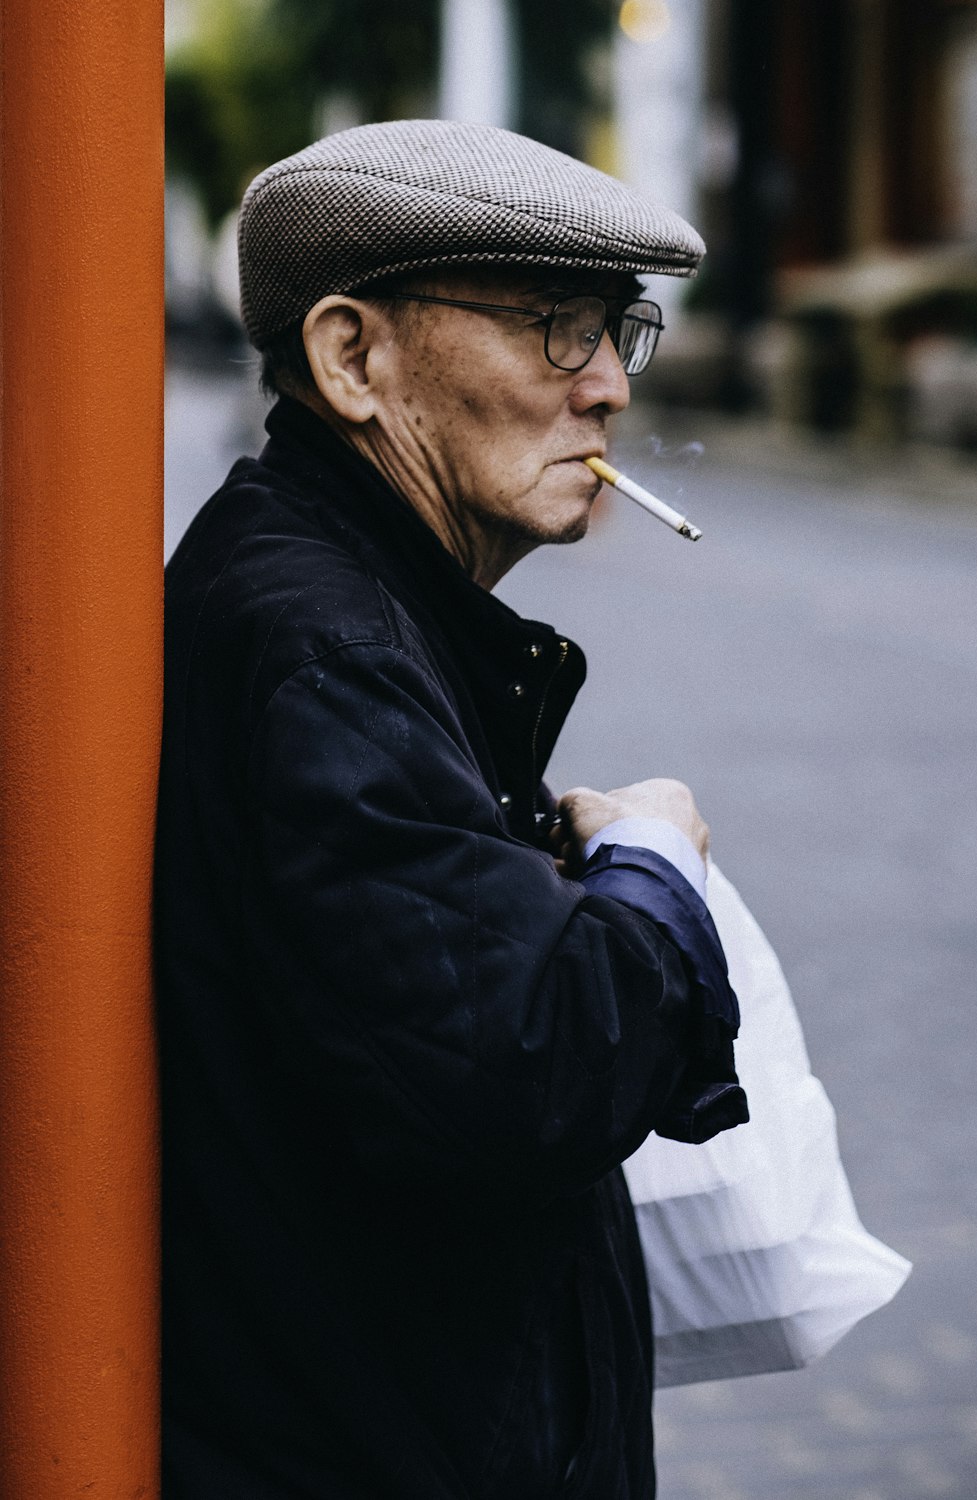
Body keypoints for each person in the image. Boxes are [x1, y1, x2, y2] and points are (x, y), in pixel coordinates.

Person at [156, 118, 748, 1499]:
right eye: (552, 326)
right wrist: (655, 865)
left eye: (618, 331)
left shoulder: (360, 603)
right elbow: (529, 1064)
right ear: (352, 357)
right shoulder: (329, 646)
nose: (605, 387)